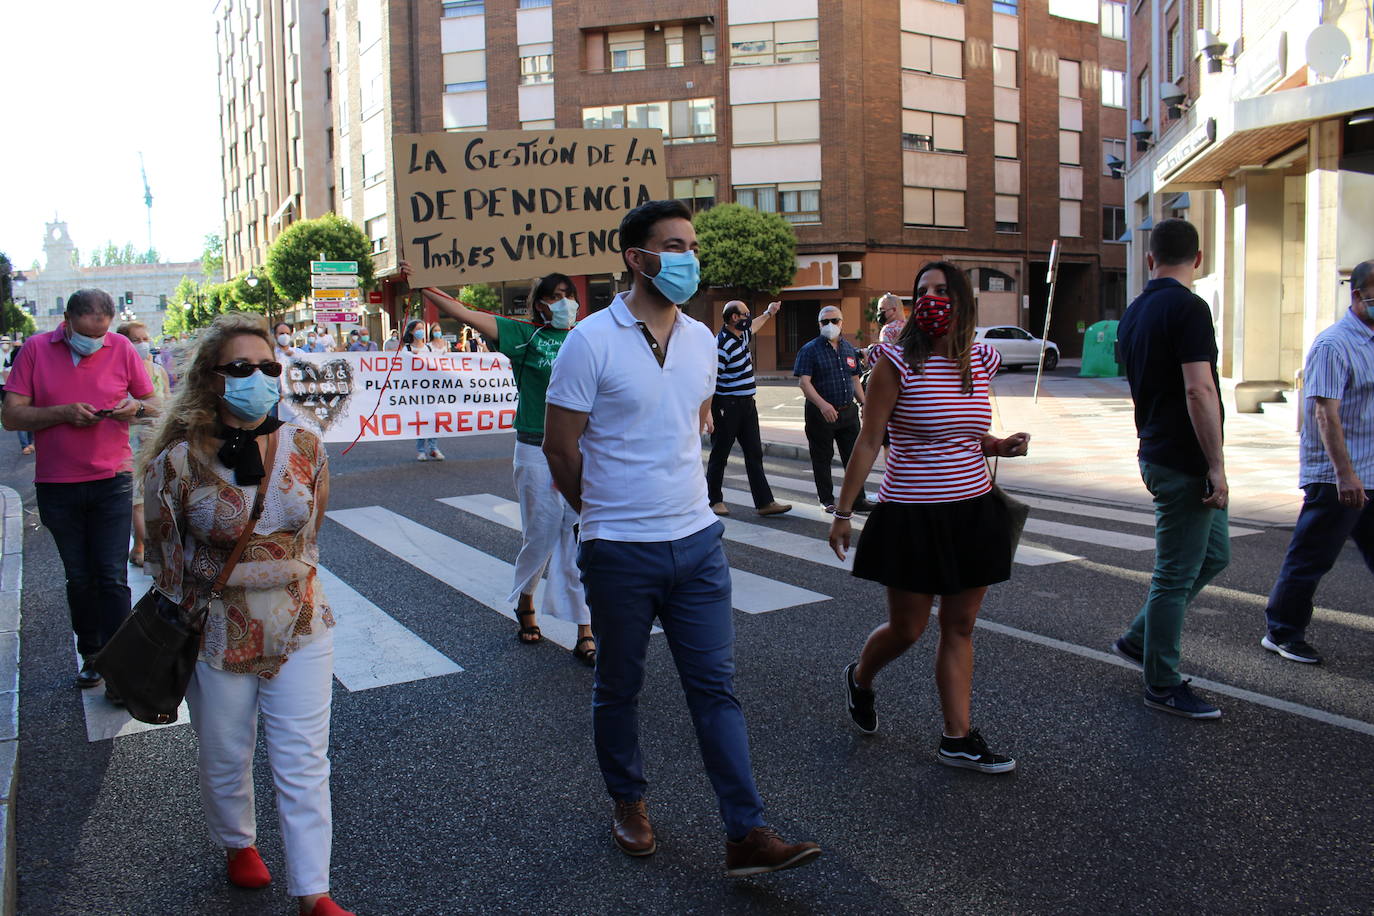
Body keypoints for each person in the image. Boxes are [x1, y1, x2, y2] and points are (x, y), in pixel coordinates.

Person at [543, 200, 821, 876]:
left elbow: (687, 425)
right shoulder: (590, 340)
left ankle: (746, 831)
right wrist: (603, 514)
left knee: (716, 688)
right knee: (619, 684)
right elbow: (559, 447)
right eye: (674, 245)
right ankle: (629, 800)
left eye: (692, 244)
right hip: (618, 550)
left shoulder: (701, 339)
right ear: (637, 258)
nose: (689, 257)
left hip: (698, 544)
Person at [140, 312, 350, 916]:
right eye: (241, 368)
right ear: (211, 377)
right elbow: (162, 553)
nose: (258, 377)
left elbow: (311, 536)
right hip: (217, 631)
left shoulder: (305, 445)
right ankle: (237, 841)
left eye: (267, 367)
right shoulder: (176, 462)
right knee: (225, 750)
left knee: (304, 758)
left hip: (301, 625)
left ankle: (313, 890)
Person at [831, 262, 1030, 773]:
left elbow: (963, 431)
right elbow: (870, 440)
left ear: (962, 301)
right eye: (924, 292)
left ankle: (957, 737)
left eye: (943, 291)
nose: (932, 300)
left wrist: (997, 444)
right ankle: (860, 677)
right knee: (908, 628)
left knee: (959, 626)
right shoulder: (896, 361)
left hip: (972, 509)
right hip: (913, 514)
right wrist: (844, 512)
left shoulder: (980, 359)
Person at [410, 270, 595, 662]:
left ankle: (585, 626)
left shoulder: (586, 337)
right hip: (536, 450)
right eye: (555, 296)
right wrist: (423, 284)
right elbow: (462, 313)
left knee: (582, 536)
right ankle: (526, 597)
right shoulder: (523, 336)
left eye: (570, 295)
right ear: (540, 304)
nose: (565, 303)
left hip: (583, 451)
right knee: (541, 534)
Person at [1, 289, 157, 697]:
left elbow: (154, 403)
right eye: (87, 334)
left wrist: (133, 409)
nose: (95, 343)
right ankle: (92, 654)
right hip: (57, 485)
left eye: (102, 334)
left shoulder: (121, 347)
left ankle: (120, 669)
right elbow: (11, 414)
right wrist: (62, 413)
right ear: (66, 320)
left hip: (112, 478)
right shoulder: (34, 350)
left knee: (111, 575)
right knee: (80, 577)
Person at [1111, 218, 1229, 719]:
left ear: (1151, 258)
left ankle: (1141, 638)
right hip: (1184, 460)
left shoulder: (1134, 312)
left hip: (1157, 449)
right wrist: (1217, 465)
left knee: (1214, 555)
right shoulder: (1189, 307)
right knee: (1174, 575)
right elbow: (1198, 389)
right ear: (1198, 259)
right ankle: (1161, 682)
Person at [1261, 260, 1374, 664]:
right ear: (1357, 295)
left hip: (1372, 472)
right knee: (1312, 557)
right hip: (1337, 477)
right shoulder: (1334, 345)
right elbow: (1326, 413)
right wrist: (1344, 475)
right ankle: (1282, 631)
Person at [705, 300, 791, 518]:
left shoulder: (741, 334)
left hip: (747, 404)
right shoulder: (722, 345)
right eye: (745, 314)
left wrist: (769, 313)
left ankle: (764, 502)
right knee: (720, 454)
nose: (748, 318)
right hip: (727, 406)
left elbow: (754, 326)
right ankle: (713, 500)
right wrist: (708, 414)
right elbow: (710, 381)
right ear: (734, 317)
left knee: (754, 453)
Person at [794, 306, 873, 513]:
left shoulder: (848, 348)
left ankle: (858, 499)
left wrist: (864, 403)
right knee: (822, 457)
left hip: (848, 412)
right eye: (825, 322)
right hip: (820, 414)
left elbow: (855, 378)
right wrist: (823, 405)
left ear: (841, 322)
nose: (830, 325)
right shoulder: (809, 349)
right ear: (819, 324)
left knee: (854, 457)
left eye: (834, 320)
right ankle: (827, 500)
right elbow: (804, 383)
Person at [116, 321, 169, 567]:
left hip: (149, 437)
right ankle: (143, 547)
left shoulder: (156, 371)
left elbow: (168, 403)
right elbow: (166, 403)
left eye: (145, 338)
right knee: (143, 496)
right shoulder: (149, 370)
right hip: (130, 439)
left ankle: (141, 548)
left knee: (142, 497)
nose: (143, 343)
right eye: (136, 339)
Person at [402, 320, 444, 461]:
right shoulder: (406, 349)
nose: (421, 331)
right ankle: (420, 450)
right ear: (412, 331)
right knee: (420, 419)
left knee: (433, 419)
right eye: (418, 329)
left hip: (431, 389)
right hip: (416, 390)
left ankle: (433, 448)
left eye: (422, 328)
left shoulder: (429, 348)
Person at [1, 337, 34, 455]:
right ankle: (25, 444)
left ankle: (29, 442)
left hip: (28, 391)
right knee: (20, 415)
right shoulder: (10, 359)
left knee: (31, 417)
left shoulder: (25, 356)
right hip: (9, 389)